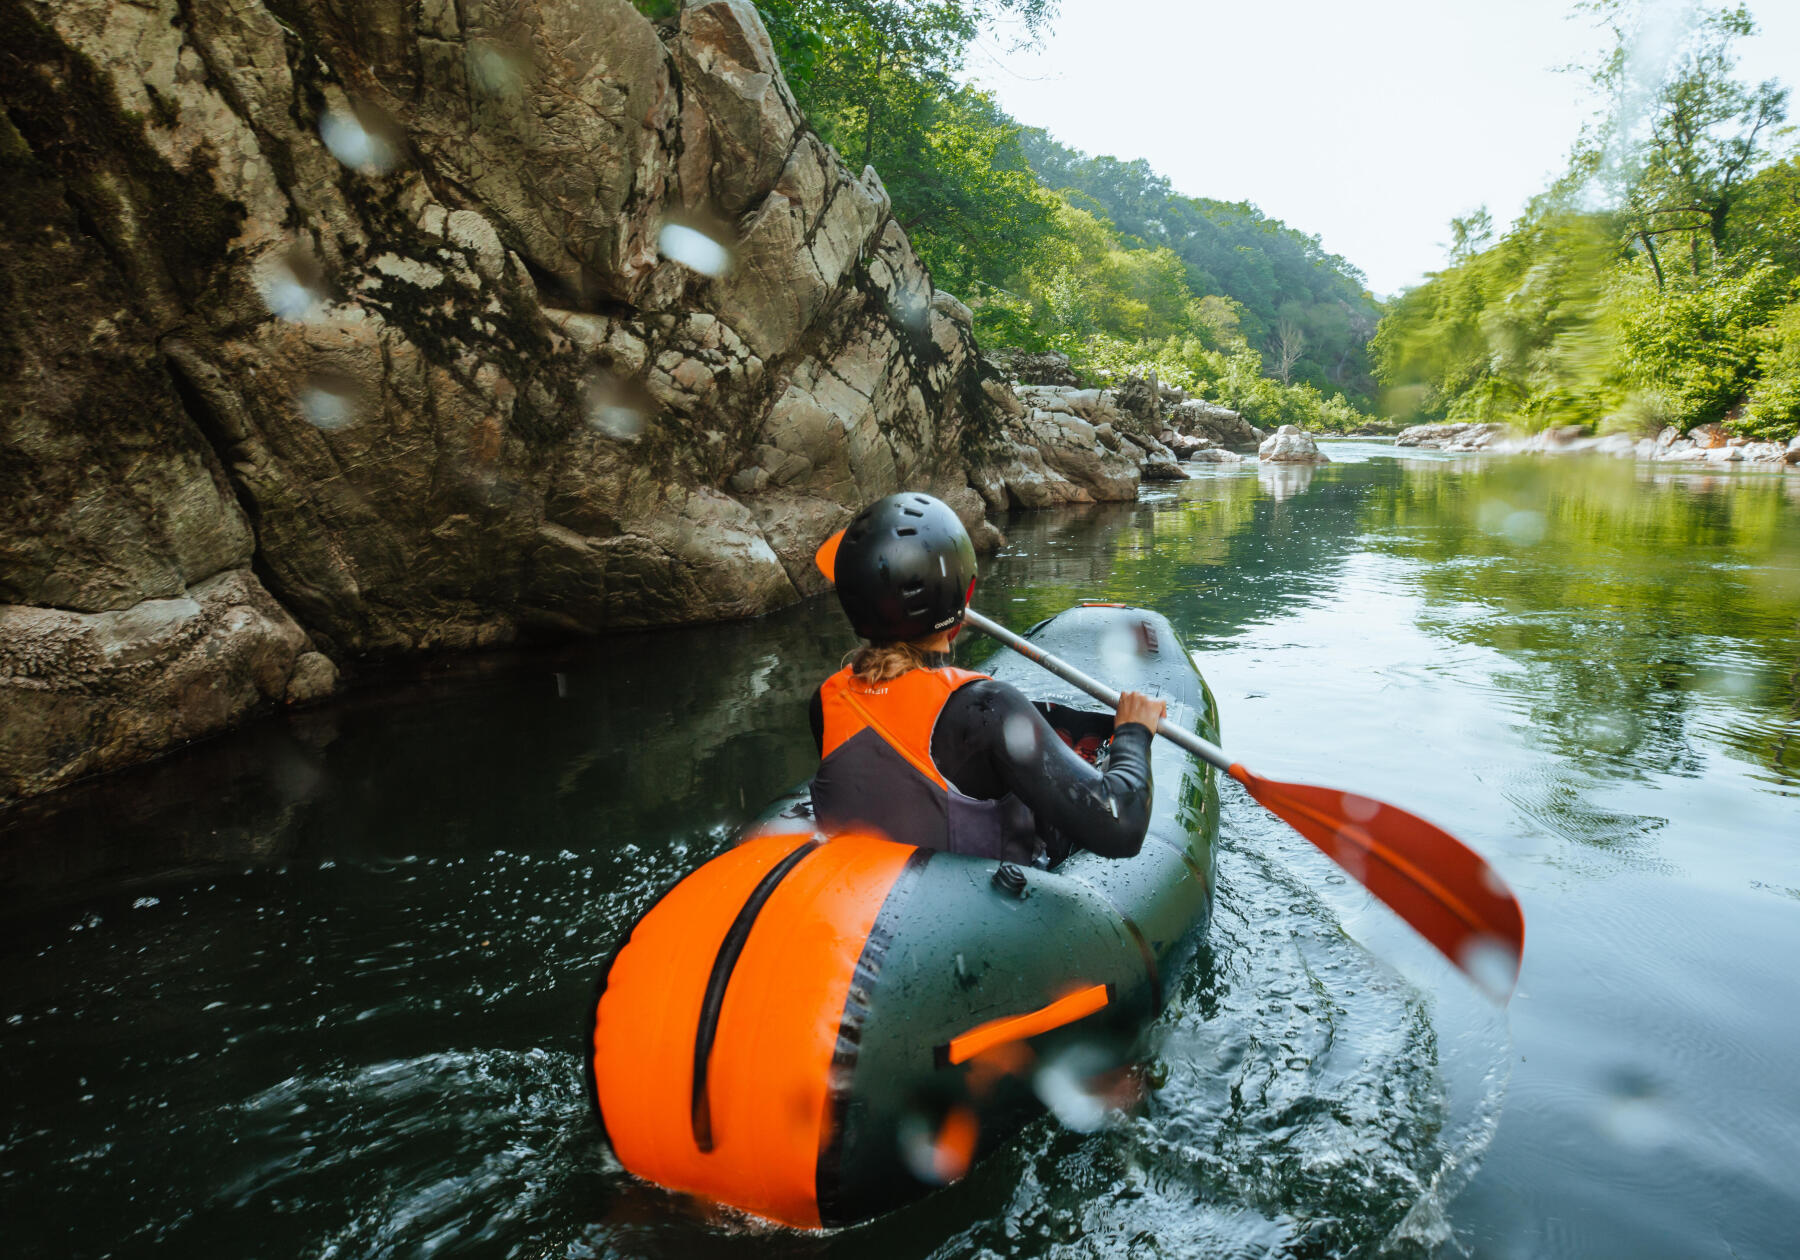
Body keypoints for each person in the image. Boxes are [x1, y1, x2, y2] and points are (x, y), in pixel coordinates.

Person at [808, 492, 1165, 866]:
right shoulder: (988, 709)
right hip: (979, 915)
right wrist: (1133, 732)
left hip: (870, 904)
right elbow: (1122, 826)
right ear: (967, 594)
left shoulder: (826, 703)